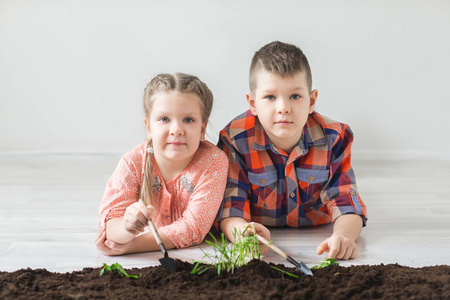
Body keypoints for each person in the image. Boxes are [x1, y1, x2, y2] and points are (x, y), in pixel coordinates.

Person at [217, 41, 367, 260]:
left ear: (311, 100)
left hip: (316, 229)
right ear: (253, 103)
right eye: (270, 97)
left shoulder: (335, 137)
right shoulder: (235, 139)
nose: (283, 108)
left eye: (295, 96)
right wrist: (242, 233)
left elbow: (346, 202)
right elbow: (231, 208)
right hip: (262, 229)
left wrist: (343, 236)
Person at [96, 73, 228, 256]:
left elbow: (193, 227)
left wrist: (134, 246)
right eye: (164, 119)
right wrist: (127, 228)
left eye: (188, 120)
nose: (176, 130)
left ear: (202, 129)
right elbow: (110, 225)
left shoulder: (213, 162)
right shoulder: (133, 163)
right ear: (149, 128)